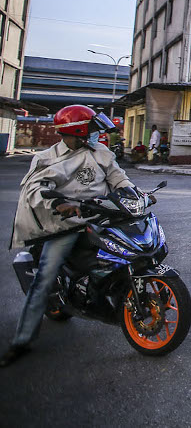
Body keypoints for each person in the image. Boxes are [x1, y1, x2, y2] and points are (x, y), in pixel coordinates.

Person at [1, 105, 132, 367]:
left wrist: (134, 193)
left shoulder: (101, 153)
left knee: (126, 255)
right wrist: (58, 203)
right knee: (44, 279)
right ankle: (22, 340)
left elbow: (119, 179)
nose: (96, 134)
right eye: (92, 129)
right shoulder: (47, 159)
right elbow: (35, 190)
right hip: (67, 225)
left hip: (101, 217)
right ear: (78, 131)